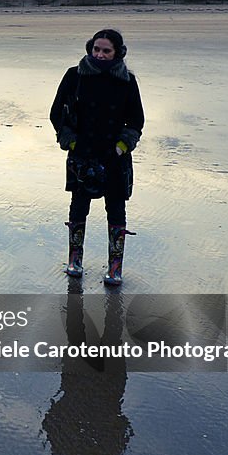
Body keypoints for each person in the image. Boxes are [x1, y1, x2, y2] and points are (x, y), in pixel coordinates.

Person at [50, 29, 144, 286]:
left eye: (106, 51)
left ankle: (115, 267)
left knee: (116, 210)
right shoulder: (74, 75)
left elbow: (136, 121)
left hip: (115, 157)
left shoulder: (127, 81)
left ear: (118, 53)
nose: (100, 55)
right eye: (96, 49)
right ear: (90, 49)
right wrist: (70, 141)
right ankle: (74, 261)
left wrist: (121, 147)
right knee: (78, 207)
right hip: (82, 155)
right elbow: (57, 114)